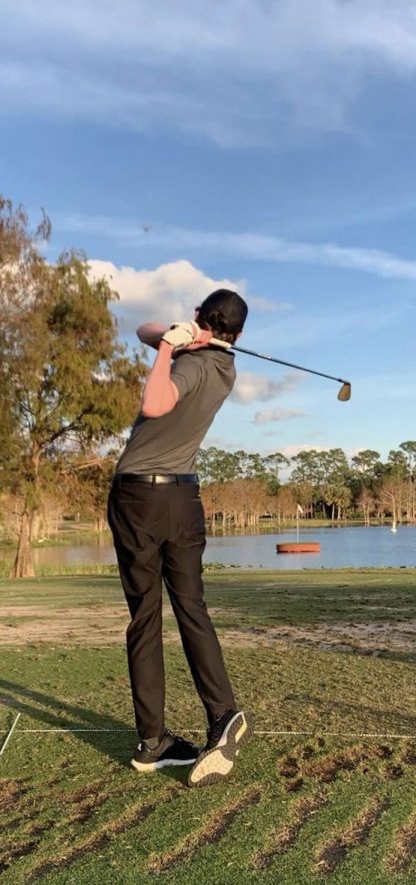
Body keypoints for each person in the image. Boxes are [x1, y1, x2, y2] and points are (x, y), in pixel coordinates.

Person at [108, 288, 251, 787]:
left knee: (145, 616)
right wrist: (172, 336)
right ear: (237, 334)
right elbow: (144, 330)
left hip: (140, 499)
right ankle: (220, 716)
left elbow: (154, 401)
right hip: (184, 499)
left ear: (199, 317)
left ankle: (153, 739)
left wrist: (171, 348)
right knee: (191, 607)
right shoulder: (223, 367)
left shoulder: (190, 366)